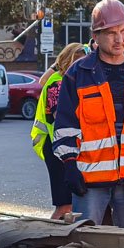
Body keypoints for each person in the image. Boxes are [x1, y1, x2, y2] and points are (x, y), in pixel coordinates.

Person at [52, 0, 124, 228]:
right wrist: (69, 165)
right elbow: (65, 123)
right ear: (95, 36)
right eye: (110, 33)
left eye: (123, 31)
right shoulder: (79, 73)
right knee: (87, 246)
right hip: (90, 179)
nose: (119, 39)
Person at [32, 42, 90, 220]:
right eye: (78, 61)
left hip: (64, 146)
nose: (82, 65)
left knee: (70, 204)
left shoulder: (67, 79)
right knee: (64, 206)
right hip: (57, 147)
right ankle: (50, 239)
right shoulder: (57, 82)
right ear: (68, 61)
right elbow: (61, 116)